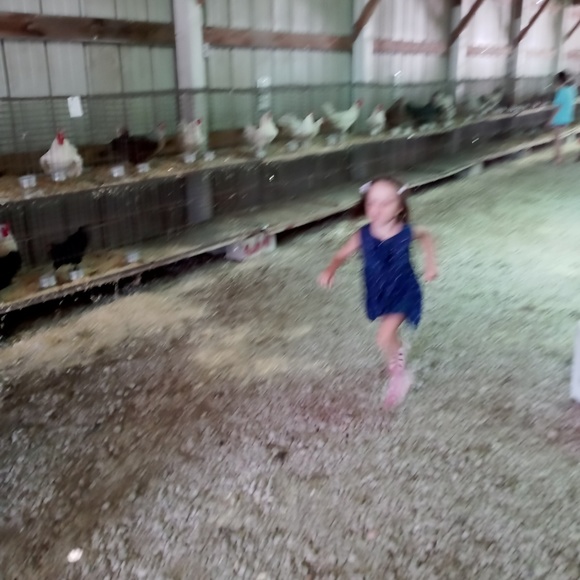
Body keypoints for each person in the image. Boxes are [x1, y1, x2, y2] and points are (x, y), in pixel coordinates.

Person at [318, 176, 437, 409]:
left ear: (400, 207)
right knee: (389, 334)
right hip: (379, 292)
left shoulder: (407, 232)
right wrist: (330, 270)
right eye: (372, 202)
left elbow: (426, 235)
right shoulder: (362, 236)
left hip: (404, 290)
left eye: (386, 203)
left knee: (383, 337)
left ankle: (400, 376)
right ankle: (398, 352)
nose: (377, 209)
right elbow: (341, 255)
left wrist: (431, 264)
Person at [548, 70, 576, 164]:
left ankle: (559, 158)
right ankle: (557, 156)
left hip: (559, 118)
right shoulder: (571, 90)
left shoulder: (561, 92)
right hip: (567, 117)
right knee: (559, 138)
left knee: (557, 139)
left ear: (559, 81)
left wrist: (550, 120)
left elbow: (557, 107)